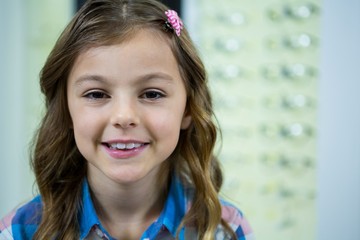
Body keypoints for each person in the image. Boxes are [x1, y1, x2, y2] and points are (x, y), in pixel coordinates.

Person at [0, 0, 254, 239]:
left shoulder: (225, 230)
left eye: (152, 94)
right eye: (96, 94)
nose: (124, 117)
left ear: (188, 108)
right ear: (66, 110)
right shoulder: (21, 231)